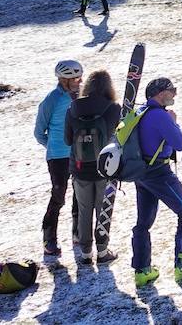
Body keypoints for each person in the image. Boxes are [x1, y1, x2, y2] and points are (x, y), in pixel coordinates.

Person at [131, 77, 182, 288]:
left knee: (143, 222)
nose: (175, 94)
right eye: (171, 90)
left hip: (140, 171)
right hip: (158, 172)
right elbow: (179, 143)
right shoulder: (159, 115)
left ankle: (142, 270)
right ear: (160, 93)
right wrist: (173, 122)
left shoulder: (141, 111)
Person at [64, 68, 119, 265]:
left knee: (84, 210)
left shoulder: (73, 108)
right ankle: (103, 252)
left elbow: (68, 139)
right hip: (105, 167)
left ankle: (85, 253)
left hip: (79, 169)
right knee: (103, 210)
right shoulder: (113, 108)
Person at [34, 59, 82, 259]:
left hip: (79, 154)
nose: (79, 81)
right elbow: (39, 132)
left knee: (81, 194)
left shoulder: (81, 96)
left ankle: (78, 234)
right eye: (75, 79)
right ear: (64, 79)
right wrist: (54, 147)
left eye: (80, 78)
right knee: (58, 196)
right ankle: (49, 238)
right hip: (58, 158)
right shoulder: (52, 100)